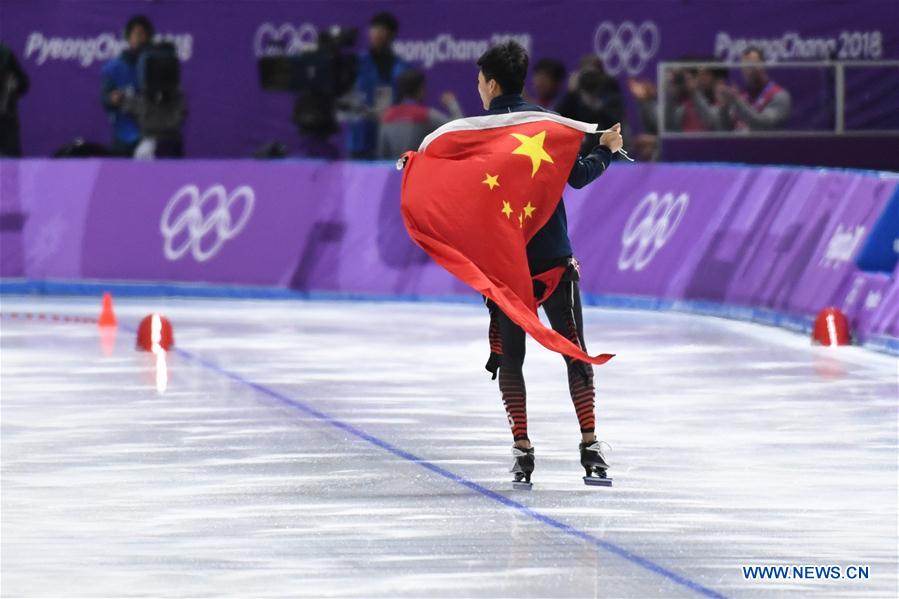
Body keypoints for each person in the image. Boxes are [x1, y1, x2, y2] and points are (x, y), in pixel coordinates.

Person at [475, 41, 623, 485]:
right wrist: (607, 150)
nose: (479, 90)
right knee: (574, 351)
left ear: (493, 83)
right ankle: (591, 445)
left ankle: (522, 450)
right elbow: (578, 176)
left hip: (506, 267)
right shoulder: (550, 126)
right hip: (554, 260)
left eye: (480, 82)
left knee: (511, 360)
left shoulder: (474, 136)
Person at [347, 12, 410, 159]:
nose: (377, 33)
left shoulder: (402, 67)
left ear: (392, 35)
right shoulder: (356, 63)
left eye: (382, 29)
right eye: (374, 28)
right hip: (360, 135)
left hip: (389, 135)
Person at [376, 69, 462, 159]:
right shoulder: (426, 115)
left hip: (392, 171)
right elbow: (458, 131)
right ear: (421, 90)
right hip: (418, 170)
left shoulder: (387, 116)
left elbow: (382, 154)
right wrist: (453, 104)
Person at [101, 15, 153, 156]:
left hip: (152, 136)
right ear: (128, 37)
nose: (141, 38)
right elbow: (105, 100)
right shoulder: (113, 68)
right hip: (124, 136)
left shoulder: (157, 67)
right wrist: (113, 99)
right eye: (138, 34)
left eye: (145, 35)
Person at [717, 47, 791, 131]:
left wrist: (736, 100)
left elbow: (760, 123)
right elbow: (725, 130)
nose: (748, 69)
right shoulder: (743, 96)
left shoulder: (779, 96)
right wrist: (724, 107)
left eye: (752, 64)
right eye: (744, 65)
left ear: (762, 65)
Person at [0, 43, 29, 157]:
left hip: (6, 123)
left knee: (10, 168)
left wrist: (15, 84)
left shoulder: (5, 55)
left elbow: (23, 82)